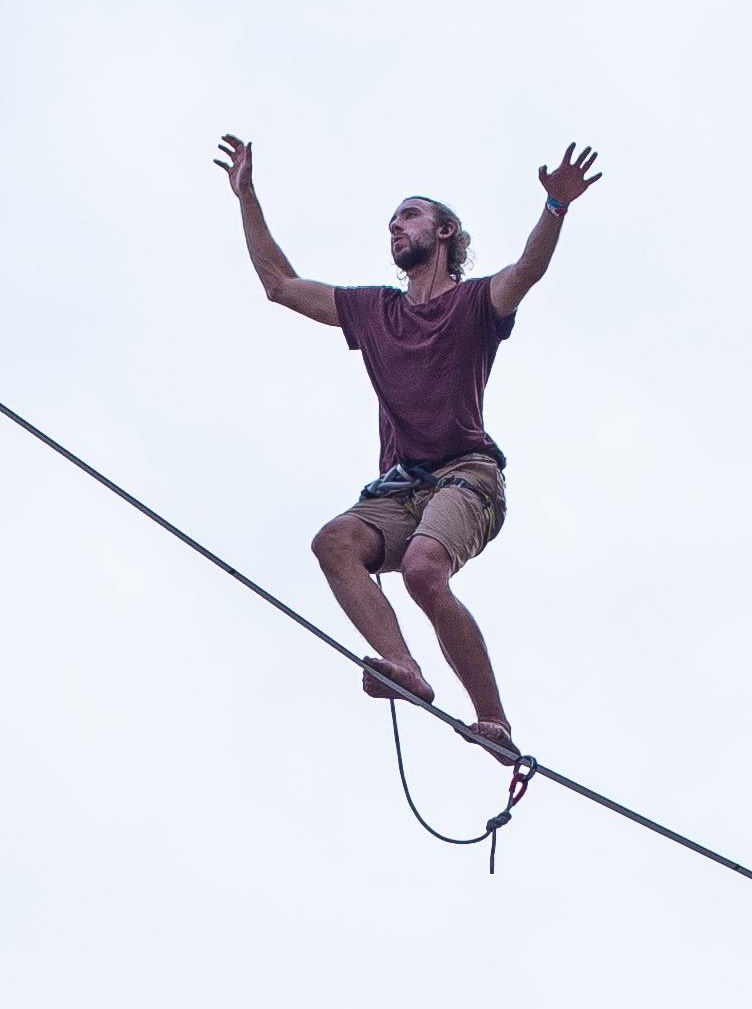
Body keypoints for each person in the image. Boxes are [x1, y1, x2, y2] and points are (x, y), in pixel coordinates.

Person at [217, 133, 601, 760]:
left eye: (409, 215)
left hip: (467, 477)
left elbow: (526, 270)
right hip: (402, 488)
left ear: (445, 232)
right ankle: (405, 668)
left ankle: (493, 721)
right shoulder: (376, 311)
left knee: (424, 570)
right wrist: (247, 197)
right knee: (333, 542)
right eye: (391, 221)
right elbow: (281, 284)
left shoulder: (476, 302)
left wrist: (555, 206)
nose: (395, 227)